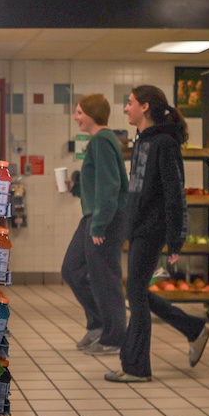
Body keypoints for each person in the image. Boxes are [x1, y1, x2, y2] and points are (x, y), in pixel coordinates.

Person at [106, 85, 209, 384]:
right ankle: (193, 328)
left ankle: (137, 367)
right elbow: (138, 189)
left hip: (153, 229)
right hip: (140, 227)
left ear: (145, 107)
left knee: (136, 294)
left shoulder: (164, 143)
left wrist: (176, 237)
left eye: (130, 103)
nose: (126, 108)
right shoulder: (143, 141)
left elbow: (174, 193)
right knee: (137, 292)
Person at [61, 94, 128, 356]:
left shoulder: (102, 140)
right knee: (72, 269)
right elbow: (98, 183)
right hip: (92, 216)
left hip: (104, 220)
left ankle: (114, 338)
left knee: (106, 279)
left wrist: (99, 225)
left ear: (92, 114)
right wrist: (76, 187)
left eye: (80, 112)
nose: (76, 117)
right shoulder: (99, 141)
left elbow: (110, 186)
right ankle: (98, 324)